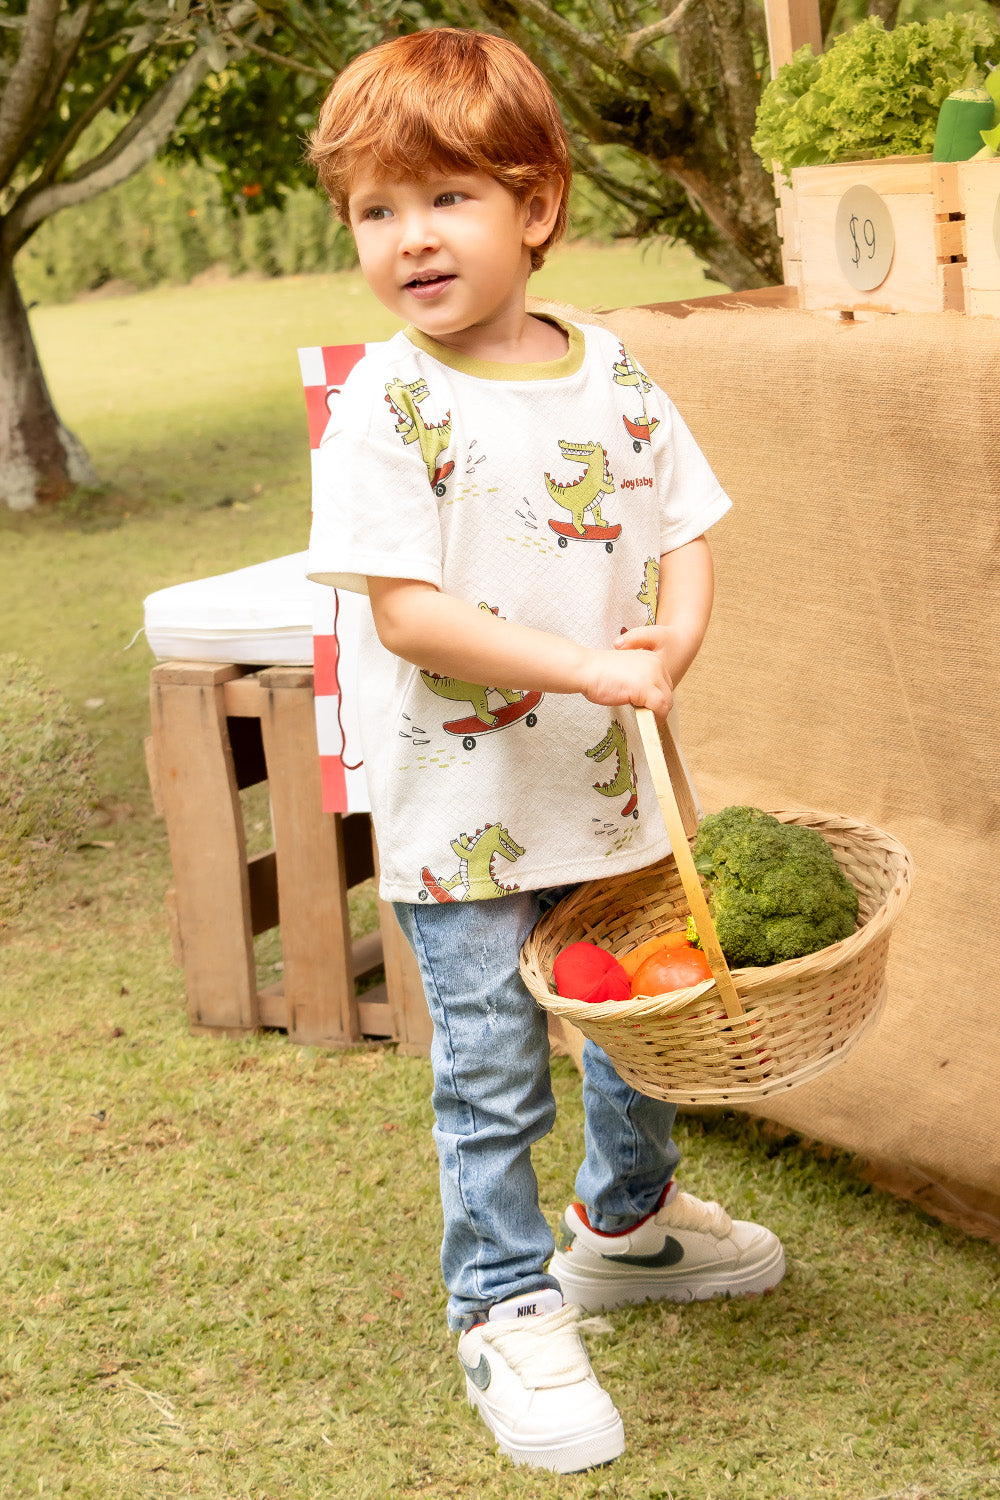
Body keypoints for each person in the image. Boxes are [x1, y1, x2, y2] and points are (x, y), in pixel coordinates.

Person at [306, 27, 784, 1475]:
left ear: (536, 203)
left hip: (606, 792)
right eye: (376, 210)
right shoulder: (388, 404)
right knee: (495, 1067)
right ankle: (503, 1305)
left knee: (643, 1023)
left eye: (446, 197)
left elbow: (686, 523)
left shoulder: (613, 372)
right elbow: (408, 613)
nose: (410, 237)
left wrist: (672, 643)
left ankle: (626, 1224)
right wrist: (586, 664)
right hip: (465, 812)